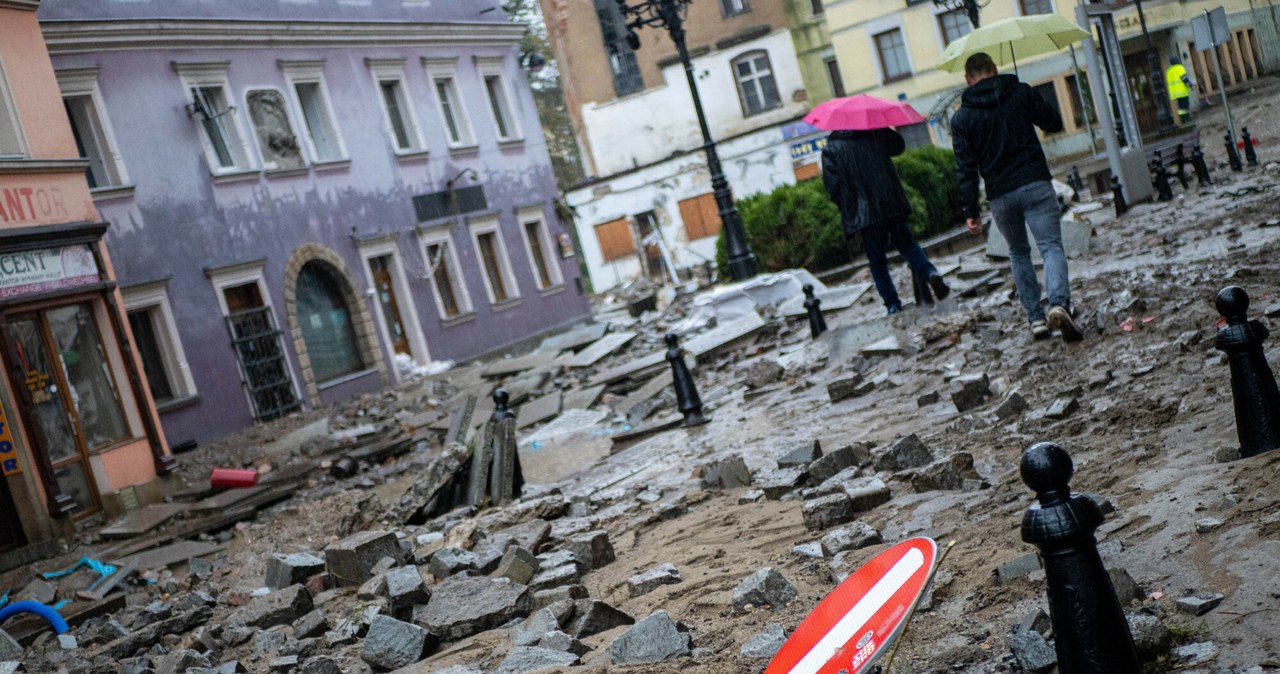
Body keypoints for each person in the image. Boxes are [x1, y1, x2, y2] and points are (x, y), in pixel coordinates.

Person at [951, 52, 1083, 342]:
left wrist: (970, 209)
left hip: (1000, 195)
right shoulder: (1019, 92)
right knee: (1050, 247)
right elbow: (1053, 123)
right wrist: (1028, 100)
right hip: (1034, 182)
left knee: (1018, 252)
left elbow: (965, 167)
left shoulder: (962, 118)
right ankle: (1059, 303)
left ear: (967, 79)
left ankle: (1036, 318)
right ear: (996, 70)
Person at [821, 127, 949, 315]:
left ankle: (892, 304)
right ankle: (930, 273)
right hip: (891, 204)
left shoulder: (832, 149)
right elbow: (898, 146)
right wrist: (880, 128)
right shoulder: (871, 134)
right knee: (907, 245)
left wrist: (849, 205)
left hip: (865, 214)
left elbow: (832, 187)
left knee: (877, 261)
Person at [1166, 56, 1193, 124]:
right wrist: (1190, 85)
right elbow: (1184, 78)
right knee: (1186, 105)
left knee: (1181, 106)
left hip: (1175, 93)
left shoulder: (1169, 71)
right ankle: (1187, 119)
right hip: (1182, 91)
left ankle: (1183, 120)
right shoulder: (1180, 68)